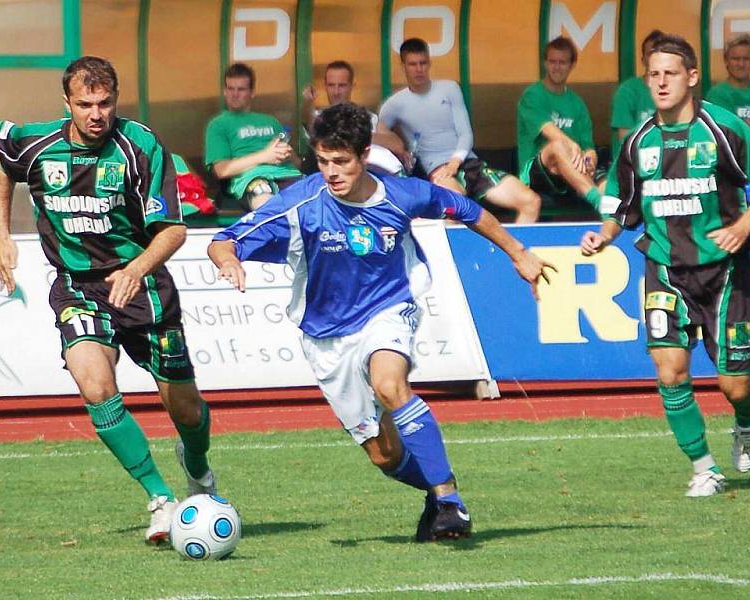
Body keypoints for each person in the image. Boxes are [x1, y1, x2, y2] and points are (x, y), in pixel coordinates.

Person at [207, 102, 554, 541]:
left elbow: (468, 211)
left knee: (390, 383)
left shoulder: (402, 194)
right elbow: (225, 239)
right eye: (323, 160)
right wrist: (229, 261)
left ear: (364, 154)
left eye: (342, 161)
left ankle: (449, 500)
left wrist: (518, 252)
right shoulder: (301, 203)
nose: (331, 172)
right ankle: (434, 487)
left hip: (389, 307)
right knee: (383, 456)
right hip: (326, 336)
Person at [0, 56, 218, 543]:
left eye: (106, 103)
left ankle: (196, 465)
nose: (97, 113)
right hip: (77, 286)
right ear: (66, 103)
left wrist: (136, 269)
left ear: (117, 100)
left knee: (186, 410)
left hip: (143, 287)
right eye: (86, 104)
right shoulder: (37, 143)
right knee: (93, 382)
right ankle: (160, 498)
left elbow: (175, 230)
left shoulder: (140, 146)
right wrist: (2, 235)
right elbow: (3, 161)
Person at [581, 35, 750, 497]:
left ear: (693, 77)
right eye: (653, 74)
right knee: (670, 370)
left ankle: (747, 419)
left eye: (671, 74)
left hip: (724, 269)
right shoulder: (638, 142)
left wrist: (744, 224)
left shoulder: (726, 131)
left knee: (735, 385)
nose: (661, 83)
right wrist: (603, 233)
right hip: (664, 267)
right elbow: (621, 204)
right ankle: (704, 468)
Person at [379, 37, 540, 223]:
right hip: (436, 170)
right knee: (453, 208)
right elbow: (381, 137)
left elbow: (466, 133)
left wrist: (454, 163)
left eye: (423, 63)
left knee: (530, 201)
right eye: (412, 64)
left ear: (429, 62)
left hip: (468, 163)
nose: (418, 69)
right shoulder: (394, 104)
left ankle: (512, 252)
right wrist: (401, 150)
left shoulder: (449, 88)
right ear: (403, 66)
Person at [205, 62, 303, 212]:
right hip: (255, 181)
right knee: (267, 204)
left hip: (291, 175)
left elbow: (297, 164)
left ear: (252, 92)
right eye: (230, 89)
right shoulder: (218, 124)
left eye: (241, 89)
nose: (234, 94)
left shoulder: (270, 121)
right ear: (224, 91)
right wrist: (265, 156)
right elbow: (222, 170)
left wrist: (287, 153)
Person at [517, 36, 601, 211]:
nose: (556, 67)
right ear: (545, 63)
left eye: (562, 62)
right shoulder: (532, 95)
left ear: (572, 65)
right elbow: (548, 129)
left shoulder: (577, 103)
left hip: (572, 170)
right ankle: (597, 200)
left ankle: (612, 225)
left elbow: (589, 147)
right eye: (552, 61)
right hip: (537, 174)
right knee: (557, 146)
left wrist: (589, 161)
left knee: (607, 183)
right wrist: (572, 146)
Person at [301, 60, 408, 176]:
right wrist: (307, 103)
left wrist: (358, 136)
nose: (336, 92)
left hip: (375, 175)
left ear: (352, 85)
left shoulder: (368, 117)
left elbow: (397, 145)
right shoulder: (321, 119)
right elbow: (308, 121)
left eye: (342, 85)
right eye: (331, 85)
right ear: (325, 86)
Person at [610, 29, 663, 160]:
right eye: (651, 53)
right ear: (643, 59)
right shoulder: (628, 91)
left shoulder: (675, 92)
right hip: (632, 165)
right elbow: (625, 139)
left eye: (661, 53)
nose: (656, 57)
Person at [706, 34, 750, 136]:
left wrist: (746, 124)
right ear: (726, 61)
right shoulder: (717, 94)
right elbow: (730, 133)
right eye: (735, 59)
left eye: (746, 59)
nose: (741, 64)